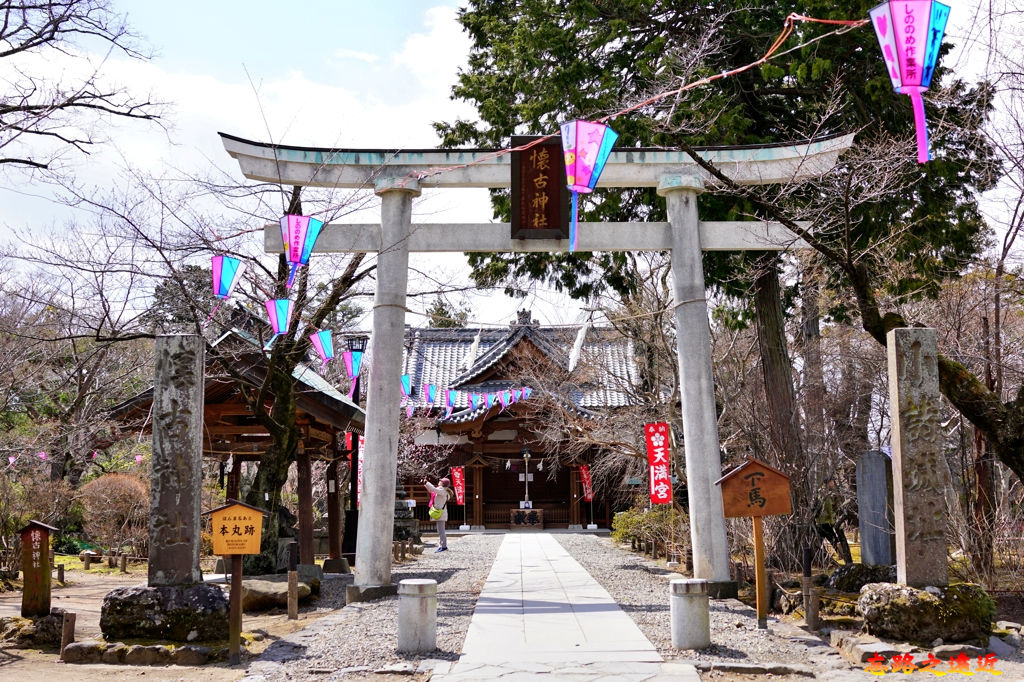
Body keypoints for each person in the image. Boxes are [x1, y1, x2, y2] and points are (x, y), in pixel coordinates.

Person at [424, 477, 451, 552]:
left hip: (440, 513)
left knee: (441, 531)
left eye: (441, 481)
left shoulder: (442, 490)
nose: (439, 481)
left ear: (443, 483)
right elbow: (431, 490)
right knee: (440, 530)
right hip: (440, 512)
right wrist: (426, 484)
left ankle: (444, 546)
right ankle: (441, 545)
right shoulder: (441, 490)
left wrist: (427, 483)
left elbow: (433, 489)